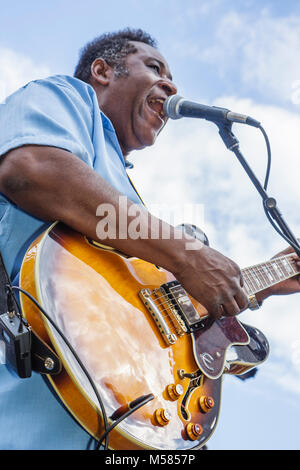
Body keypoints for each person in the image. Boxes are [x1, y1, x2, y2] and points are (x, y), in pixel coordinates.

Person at [0, 28, 299, 450]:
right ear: (102, 71)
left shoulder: (127, 200)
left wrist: (267, 279)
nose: (172, 85)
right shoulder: (67, 97)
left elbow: (157, 313)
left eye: (172, 75)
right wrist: (188, 255)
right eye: (154, 67)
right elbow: (32, 169)